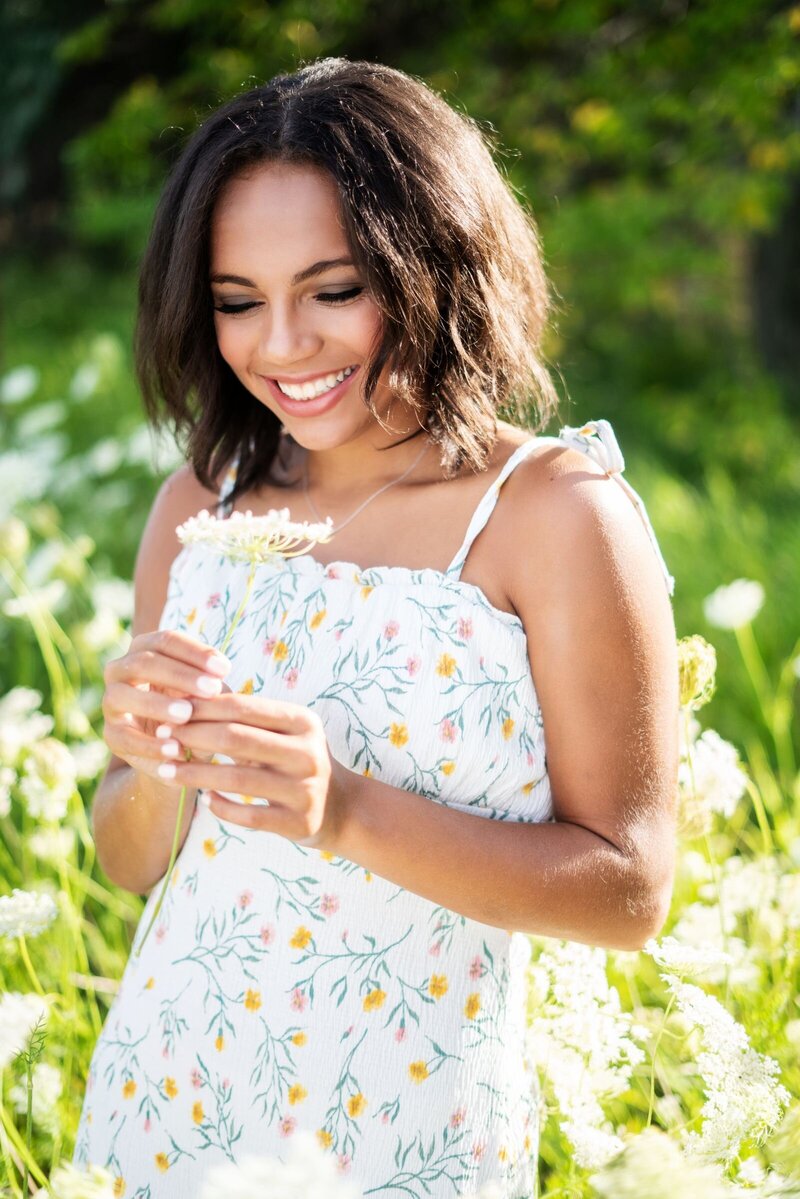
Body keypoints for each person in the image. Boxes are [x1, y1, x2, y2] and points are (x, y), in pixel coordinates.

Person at [73, 57, 679, 1199]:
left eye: (333, 288)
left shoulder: (552, 513)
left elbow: (630, 889)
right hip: (165, 1104)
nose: (284, 345)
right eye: (237, 300)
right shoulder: (201, 504)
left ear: (436, 260)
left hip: (405, 1132)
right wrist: (152, 760)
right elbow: (131, 857)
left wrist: (340, 808)